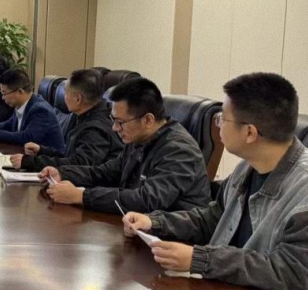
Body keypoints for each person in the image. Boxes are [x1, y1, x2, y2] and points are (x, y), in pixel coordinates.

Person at [123, 73, 308, 290]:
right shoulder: (249, 167)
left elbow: (291, 274)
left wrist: (200, 259)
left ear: (249, 133)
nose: (218, 125)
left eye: (222, 118)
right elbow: (214, 217)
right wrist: (155, 222)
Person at [41, 77, 210, 214]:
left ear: (148, 120)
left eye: (120, 122)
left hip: (170, 238)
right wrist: (63, 173)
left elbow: (147, 200)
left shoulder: (179, 150)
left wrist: (82, 196)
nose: (115, 128)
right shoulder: (138, 138)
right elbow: (105, 172)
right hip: (136, 225)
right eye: (113, 120)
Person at [12, 68, 122, 171]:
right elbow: (71, 156)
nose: (63, 96)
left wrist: (30, 162)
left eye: (65, 92)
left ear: (78, 99)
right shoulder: (85, 116)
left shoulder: (95, 129)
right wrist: (42, 150)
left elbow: (79, 164)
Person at [0, 68, 64, 149]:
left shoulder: (40, 110)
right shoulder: (22, 104)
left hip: (47, 160)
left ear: (20, 91)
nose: (2, 97)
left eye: (4, 93)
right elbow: (8, 125)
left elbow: (27, 137)